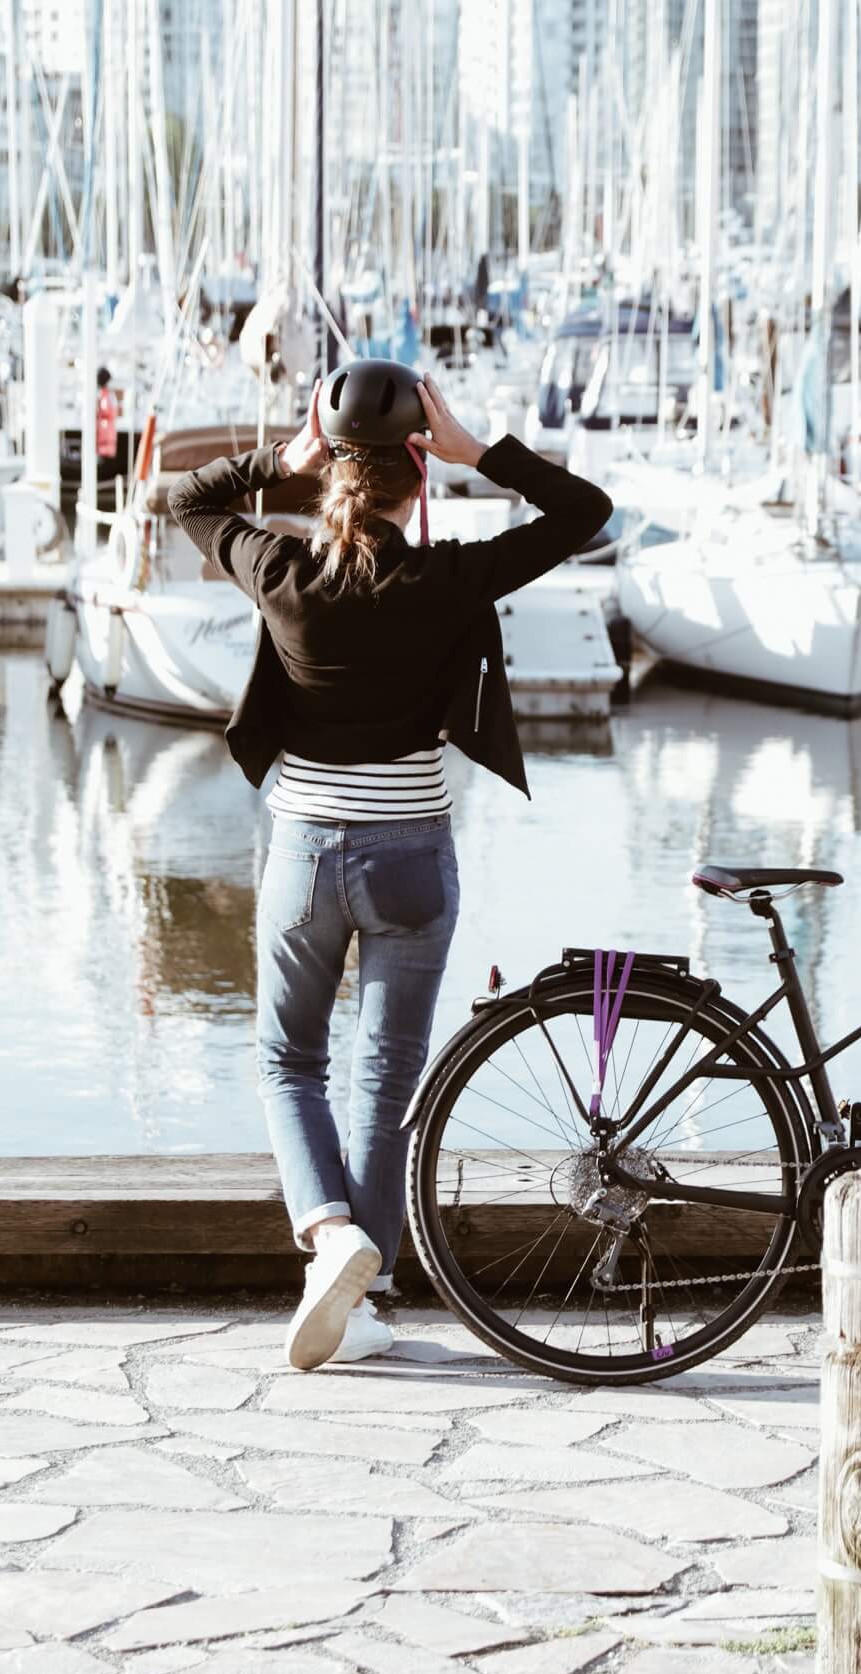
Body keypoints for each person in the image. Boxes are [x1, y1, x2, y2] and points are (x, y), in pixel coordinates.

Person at [169, 366, 612, 1370]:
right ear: (418, 471)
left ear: (328, 468)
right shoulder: (449, 578)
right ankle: (366, 1300)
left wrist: (280, 459)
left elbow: (186, 499)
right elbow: (586, 511)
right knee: (387, 1076)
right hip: (414, 853)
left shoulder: (278, 569)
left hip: (309, 856)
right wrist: (480, 452)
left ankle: (330, 1236)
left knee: (288, 1061)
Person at [95, 365, 120, 496]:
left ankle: (102, 492)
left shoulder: (104, 396)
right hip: (106, 441)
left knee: (103, 469)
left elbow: (106, 413)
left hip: (103, 442)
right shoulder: (108, 396)